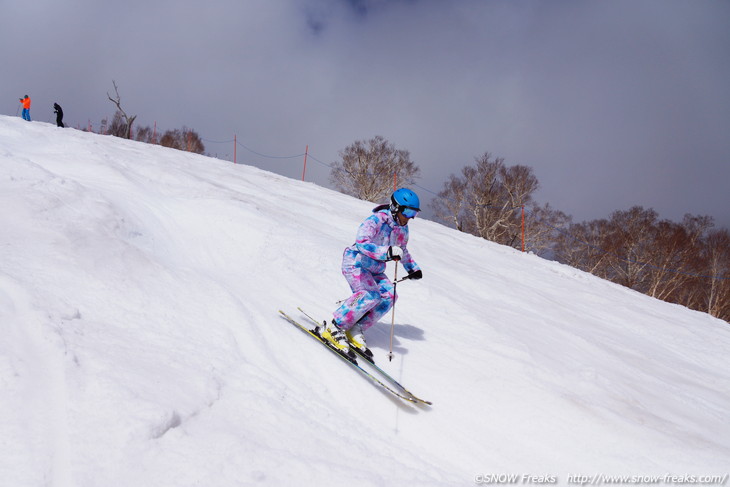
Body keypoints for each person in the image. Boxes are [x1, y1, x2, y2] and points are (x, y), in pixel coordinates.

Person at [322, 188, 424, 361]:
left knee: (389, 296)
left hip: (376, 269)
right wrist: (387, 251)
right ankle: (334, 327)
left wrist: (412, 268)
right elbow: (362, 243)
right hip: (356, 263)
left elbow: (402, 250)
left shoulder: (403, 229)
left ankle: (355, 328)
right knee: (369, 295)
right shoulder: (376, 220)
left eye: (413, 213)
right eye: (407, 211)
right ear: (395, 207)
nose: (409, 217)